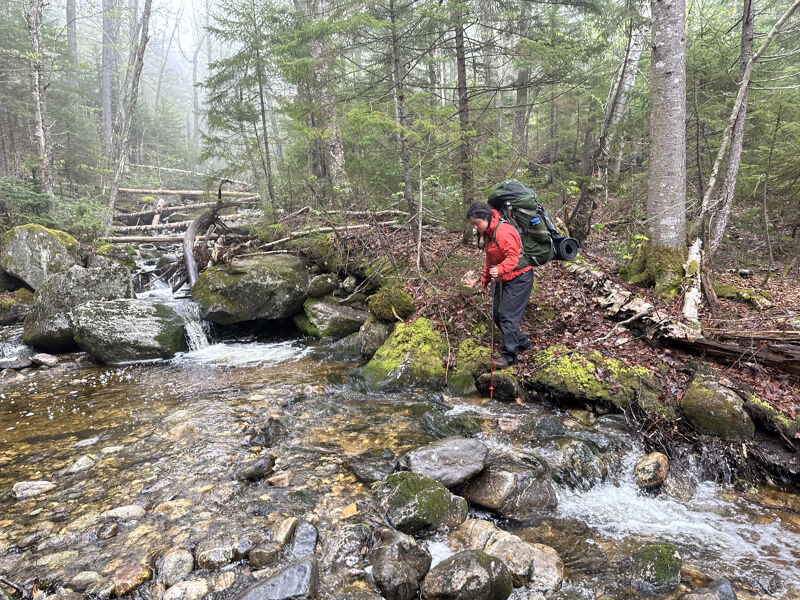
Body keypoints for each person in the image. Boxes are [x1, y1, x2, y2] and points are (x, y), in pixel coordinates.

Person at [466, 201, 533, 368]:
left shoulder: (504, 231)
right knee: (497, 315)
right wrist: (485, 279)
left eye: (476, 223)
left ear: (486, 217)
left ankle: (509, 356)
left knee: (508, 317)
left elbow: (513, 257)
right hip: (501, 279)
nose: (475, 227)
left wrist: (501, 269)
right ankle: (523, 343)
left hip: (520, 278)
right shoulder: (488, 233)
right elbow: (490, 259)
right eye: (473, 224)